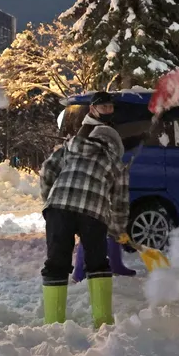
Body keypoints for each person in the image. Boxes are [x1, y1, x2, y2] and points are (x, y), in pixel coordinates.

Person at [39, 91, 131, 327]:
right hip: (93, 211)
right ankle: (102, 322)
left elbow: (48, 170)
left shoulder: (71, 146)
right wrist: (118, 229)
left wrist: (49, 200)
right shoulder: (117, 163)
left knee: (56, 264)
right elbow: (120, 200)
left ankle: (53, 323)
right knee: (97, 264)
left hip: (58, 207)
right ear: (114, 144)